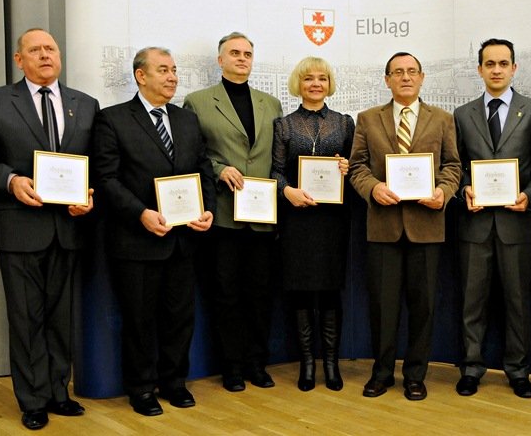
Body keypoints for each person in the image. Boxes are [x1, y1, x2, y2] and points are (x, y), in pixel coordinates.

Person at [0, 28, 98, 430]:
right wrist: (10, 181)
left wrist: (89, 196)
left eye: (50, 48)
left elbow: (96, 166)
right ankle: (33, 398)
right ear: (18, 60)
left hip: (69, 228)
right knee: (26, 319)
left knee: (61, 318)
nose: (45, 55)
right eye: (34, 50)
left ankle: (59, 391)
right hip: (19, 229)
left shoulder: (86, 104)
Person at [92, 47, 216, 416]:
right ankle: (142, 388)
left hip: (182, 239)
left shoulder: (187, 120)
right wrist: (141, 214)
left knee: (180, 317)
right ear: (140, 76)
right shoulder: (113, 119)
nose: (173, 77)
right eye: (163, 70)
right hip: (136, 240)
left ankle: (174, 382)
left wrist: (207, 209)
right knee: (140, 320)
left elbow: (203, 169)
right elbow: (108, 179)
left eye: (175, 70)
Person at [349, 52, 461, 401]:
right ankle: (381, 373)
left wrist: (443, 193)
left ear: (422, 77)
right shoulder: (367, 119)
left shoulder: (442, 119)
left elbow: (453, 166)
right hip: (383, 227)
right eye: (398, 72)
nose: (405, 77)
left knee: (423, 306)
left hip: (426, 226)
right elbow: (357, 168)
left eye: (412, 71)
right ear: (387, 80)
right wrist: (373, 188)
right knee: (383, 307)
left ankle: (415, 375)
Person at [183, 32, 283, 392]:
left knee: (260, 294)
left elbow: (278, 157)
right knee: (226, 295)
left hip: (261, 215)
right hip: (223, 215)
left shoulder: (271, 103)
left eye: (248, 54)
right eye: (234, 53)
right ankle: (232, 368)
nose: (242, 58)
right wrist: (218, 167)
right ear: (220, 60)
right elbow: (191, 154)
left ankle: (258, 363)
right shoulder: (196, 102)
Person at [453, 39, 531, 398]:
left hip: (518, 223)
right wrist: (464, 190)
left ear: (514, 68)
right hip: (474, 225)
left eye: (503, 63)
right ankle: (472, 368)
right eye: (489, 64)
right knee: (471, 302)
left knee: (517, 302)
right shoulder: (463, 114)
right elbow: (456, 166)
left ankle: (518, 371)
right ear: (479, 70)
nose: (496, 69)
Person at [270, 57, 354, 391]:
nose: (315, 84)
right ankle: (307, 365)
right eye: (309, 79)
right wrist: (287, 191)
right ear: (299, 84)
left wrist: (346, 167)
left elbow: (357, 167)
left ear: (329, 83)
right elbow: (275, 172)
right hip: (297, 219)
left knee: (331, 290)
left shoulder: (345, 123)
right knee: (301, 291)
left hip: (332, 220)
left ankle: (331, 365)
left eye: (322, 78)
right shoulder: (284, 125)